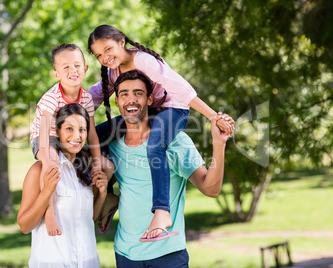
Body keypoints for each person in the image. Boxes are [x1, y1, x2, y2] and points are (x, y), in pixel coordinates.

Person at [88, 24, 234, 240]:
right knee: (92, 137)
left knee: (155, 144)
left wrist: (213, 116)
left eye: (108, 49)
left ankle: (162, 212)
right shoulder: (114, 71)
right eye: (99, 55)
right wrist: (61, 113)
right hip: (149, 111)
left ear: (121, 42)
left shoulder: (143, 61)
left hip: (173, 110)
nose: (105, 57)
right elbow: (92, 98)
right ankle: (108, 192)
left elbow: (181, 88)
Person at [106, 70, 229, 266]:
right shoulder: (113, 146)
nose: (131, 99)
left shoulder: (174, 141)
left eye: (138, 93)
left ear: (149, 99)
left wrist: (219, 144)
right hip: (125, 254)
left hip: (167, 255)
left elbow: (211, 189)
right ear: (117, 102)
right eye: (124, 94)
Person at [18, 103, 112, 267]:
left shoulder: (87, 171)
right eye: (69, 128)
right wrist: (46, 192)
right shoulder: (39, 170)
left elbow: (88, 220)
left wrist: (102, 193)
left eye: (82, 130)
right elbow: (25, 225)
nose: (77, 136)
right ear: (57, 132)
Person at [29, 44, 106, 236]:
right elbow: (45, 136)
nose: (73, 70)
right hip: (46, 136)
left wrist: (96, 164)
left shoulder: (86, 98)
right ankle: (49, 211)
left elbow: (92, 134)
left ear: (85, 69)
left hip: (72, 137)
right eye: (66, 67)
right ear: (56, 74)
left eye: (77, 65)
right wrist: (47, 159)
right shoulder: (51, 99)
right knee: (51, 163)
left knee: (107, 166)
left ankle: (103, 201)